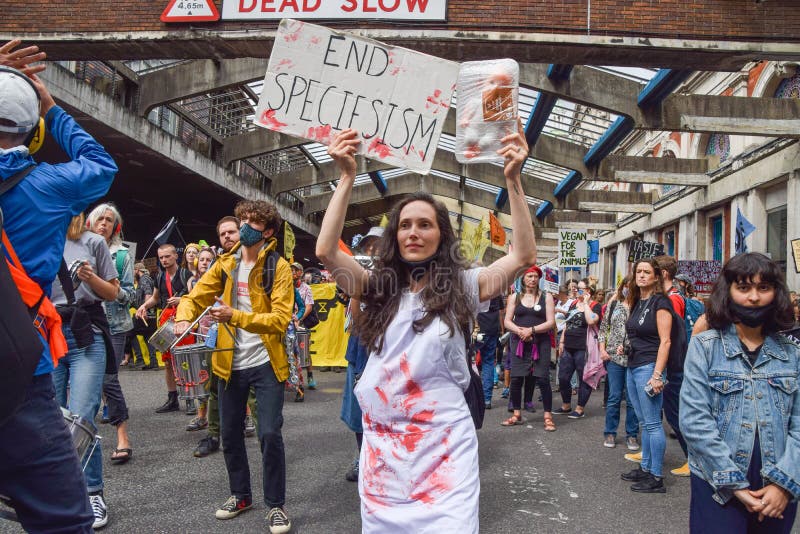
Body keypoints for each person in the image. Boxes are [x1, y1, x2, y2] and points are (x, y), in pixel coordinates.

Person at [316, 125, 536, 532]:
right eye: (405, 225)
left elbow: (522, 255)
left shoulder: (466, 287)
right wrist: (347, 176)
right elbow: (327, 252)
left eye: (425, 224)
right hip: (384, 450)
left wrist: (513, 179)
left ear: (441, 234)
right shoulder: (377, 288)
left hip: (445, 450)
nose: (413, 232)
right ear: (394, 237)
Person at [0, 47, 117, 533]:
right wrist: (50, 104)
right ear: (34, 132)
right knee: (64, 518)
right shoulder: (49, 185)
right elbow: (100, 163)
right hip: (19, 365)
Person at [175, 200, 294, 533]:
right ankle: (241, 495)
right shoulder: (225, 264)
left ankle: (276, 505)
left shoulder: (278, 267)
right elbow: (195, 297)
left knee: (269, 433)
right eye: (242, 219)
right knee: (229, 433)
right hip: (228, 362)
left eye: (251, 223)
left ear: (268, 232)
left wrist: (235, 316)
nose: (243, 227)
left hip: (267, 362)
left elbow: (281, 320)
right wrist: (183, 317)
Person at [680, 253, 800, 532]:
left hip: (778, 490)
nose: (754, 297)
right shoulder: (705, 347)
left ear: (776, 293)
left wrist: (783, 484)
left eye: (764, 288)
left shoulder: (792, 353)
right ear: (729, 292)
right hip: (717, 486)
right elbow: (694, 420)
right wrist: (733, 484)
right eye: (744, 288)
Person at [51, 214, 120, 528]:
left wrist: (91, 278)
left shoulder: (92, 242)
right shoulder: (35, 236)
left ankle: (93, 492)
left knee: (82, 417)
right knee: (49, 420)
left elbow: (113, 292)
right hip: (46, 333)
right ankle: (57, 493)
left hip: (85, 333)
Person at [87, 202, 134, 465]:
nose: (104, 223)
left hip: (113, 325)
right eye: (99, 218)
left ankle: (123, 436)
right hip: (82, 324)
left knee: (108, 379)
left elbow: (130, 294)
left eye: (109, 220)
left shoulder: (121, 256)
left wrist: (108, 288)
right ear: (90, 223)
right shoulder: (79, 248)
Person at [620, 258, 672, 494]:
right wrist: (626, 347)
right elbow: (638, 334)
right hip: (633, 365)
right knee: (644, 421)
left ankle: (656, 476)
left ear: (656, 276)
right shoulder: (638, 300)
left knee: (652, 423)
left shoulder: (661, 302)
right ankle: (646, 467)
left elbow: (665, 341)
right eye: (638, 271)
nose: (641, 275)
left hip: (649, 367)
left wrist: (657, 375)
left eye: (646, 272)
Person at [340, 226, 383, 482]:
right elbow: (355, 318)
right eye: (369, 245)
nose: (373, 249)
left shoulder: (397, 275)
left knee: (385, 406)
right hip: (360, 346)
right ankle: (362, 456)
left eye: (378, 244)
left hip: (388, 347)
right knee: (358, 407)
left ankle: (383, 457)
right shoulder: (358, 272)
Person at [134, 243, 193, 413]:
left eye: (167, 256)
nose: (164, 260)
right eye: (161, 257)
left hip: (184, 321)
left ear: (176, 256)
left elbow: (195, 296)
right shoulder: (159, 277)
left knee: (185, 361)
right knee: (168, 362)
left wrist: (182, 300)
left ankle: (189, 398)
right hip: (166, 322)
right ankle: (172, 398)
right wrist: (144, 306)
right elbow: (155, 298)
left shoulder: (186, 274)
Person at [501, 265, 556, 431]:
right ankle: (517, 414)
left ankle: (547, 416)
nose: (532, 279)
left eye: (535, 276)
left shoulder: (546, 297)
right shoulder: (514, 297)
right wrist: (520, 331)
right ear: (523, 279)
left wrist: (531, 330)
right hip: (519, 342)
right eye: (529, 276)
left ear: (539, 279)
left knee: (543, 379)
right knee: (516, 378)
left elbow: (551, 322)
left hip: (540, 343)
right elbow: (507, 321)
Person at [653, 254, 689, 477]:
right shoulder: (666, 296)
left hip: (673, 365)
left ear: (663, 274)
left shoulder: (673, 299)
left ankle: (692, 458)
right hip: (669, 363)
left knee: (676, 414)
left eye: (652, 271)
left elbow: (669, 334)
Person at [598, 276, 639, 450]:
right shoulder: (613, 306)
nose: (627, 290)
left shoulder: (640, 307)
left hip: (634, 358)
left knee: (632, 399)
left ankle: (632, 435)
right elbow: (603, 328)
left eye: (631, 287)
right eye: (625, 286)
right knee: (614, 397)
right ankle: (610, 432)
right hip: (614, 357)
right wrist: (602, 349)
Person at [556, 279, 601, 418]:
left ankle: (580, 408)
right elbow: (568, 323)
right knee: (563, 377)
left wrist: (586, 304)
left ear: (588, 291)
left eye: (579, 289)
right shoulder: (574, 304)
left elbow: (591, 321)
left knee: (584, 379)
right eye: (575, 289)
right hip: (568, 345)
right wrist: (562, 341)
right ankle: (566, 405)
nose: (575, 291)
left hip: (584, 348)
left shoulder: (595, 305)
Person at [476, 282, 504, 410]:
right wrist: (501, 330)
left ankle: (474, 396)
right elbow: (500, 312)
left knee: (469, 363)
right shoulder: (496, 291)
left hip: (476, 330)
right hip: (492, 329)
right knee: (488, 363)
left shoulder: (474, 288)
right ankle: (487, 399)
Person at [291, 261, 316, 389]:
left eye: (296, 270)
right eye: (291, 270)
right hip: (289, 323)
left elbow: (308, 307)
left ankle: (310, 375)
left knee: (303, 350)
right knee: (289, 351)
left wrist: (299, 319)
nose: (293, 272)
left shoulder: (306, 288)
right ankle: (292, 378)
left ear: (301, 273)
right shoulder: (286, 286)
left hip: (301, 322)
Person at [131, 262, 158, 369]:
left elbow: (148, 293)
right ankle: (153, 362)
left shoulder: (144, 279)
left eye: (134, 271)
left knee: (128, 332)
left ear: (137, 270)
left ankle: (139, 360)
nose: (133, 273)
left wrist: (144, 309)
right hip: (150, 314)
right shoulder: (148, 279)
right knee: (148, 336)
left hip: (144, 314)